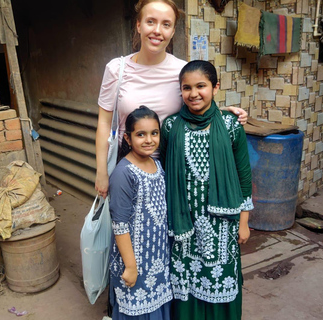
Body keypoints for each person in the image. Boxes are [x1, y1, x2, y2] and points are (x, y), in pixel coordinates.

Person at [96, 0, 248, 199]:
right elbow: (104, 123)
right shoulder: (116, 69)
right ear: (139, 25)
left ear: (173, 31)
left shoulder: (182, 71)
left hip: (174, 169)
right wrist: (101, 172)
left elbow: (196, 107)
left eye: (166, 24)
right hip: (127, 168)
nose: (157, 30)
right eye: (151, 22)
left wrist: (224, 112)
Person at [160, 60, 253, 320]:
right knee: (186, 283)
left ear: (215, 87)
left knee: (221, 279)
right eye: (186, 88)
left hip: (222, 226)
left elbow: (244, 176)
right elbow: (167, 172)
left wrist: (244, 222)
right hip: (183, 223)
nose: (194, 93)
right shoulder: (170, 126)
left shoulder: (231, 125)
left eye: (201, 86)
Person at [109, 106, 172, 320]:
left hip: (157, 260)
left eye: (154, 133)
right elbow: (120, 225)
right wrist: (130, 266)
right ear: (127, 138)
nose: (149, 140)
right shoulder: (123, 173)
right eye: (140, 134)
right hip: (134, 262)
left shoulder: (157, 165)